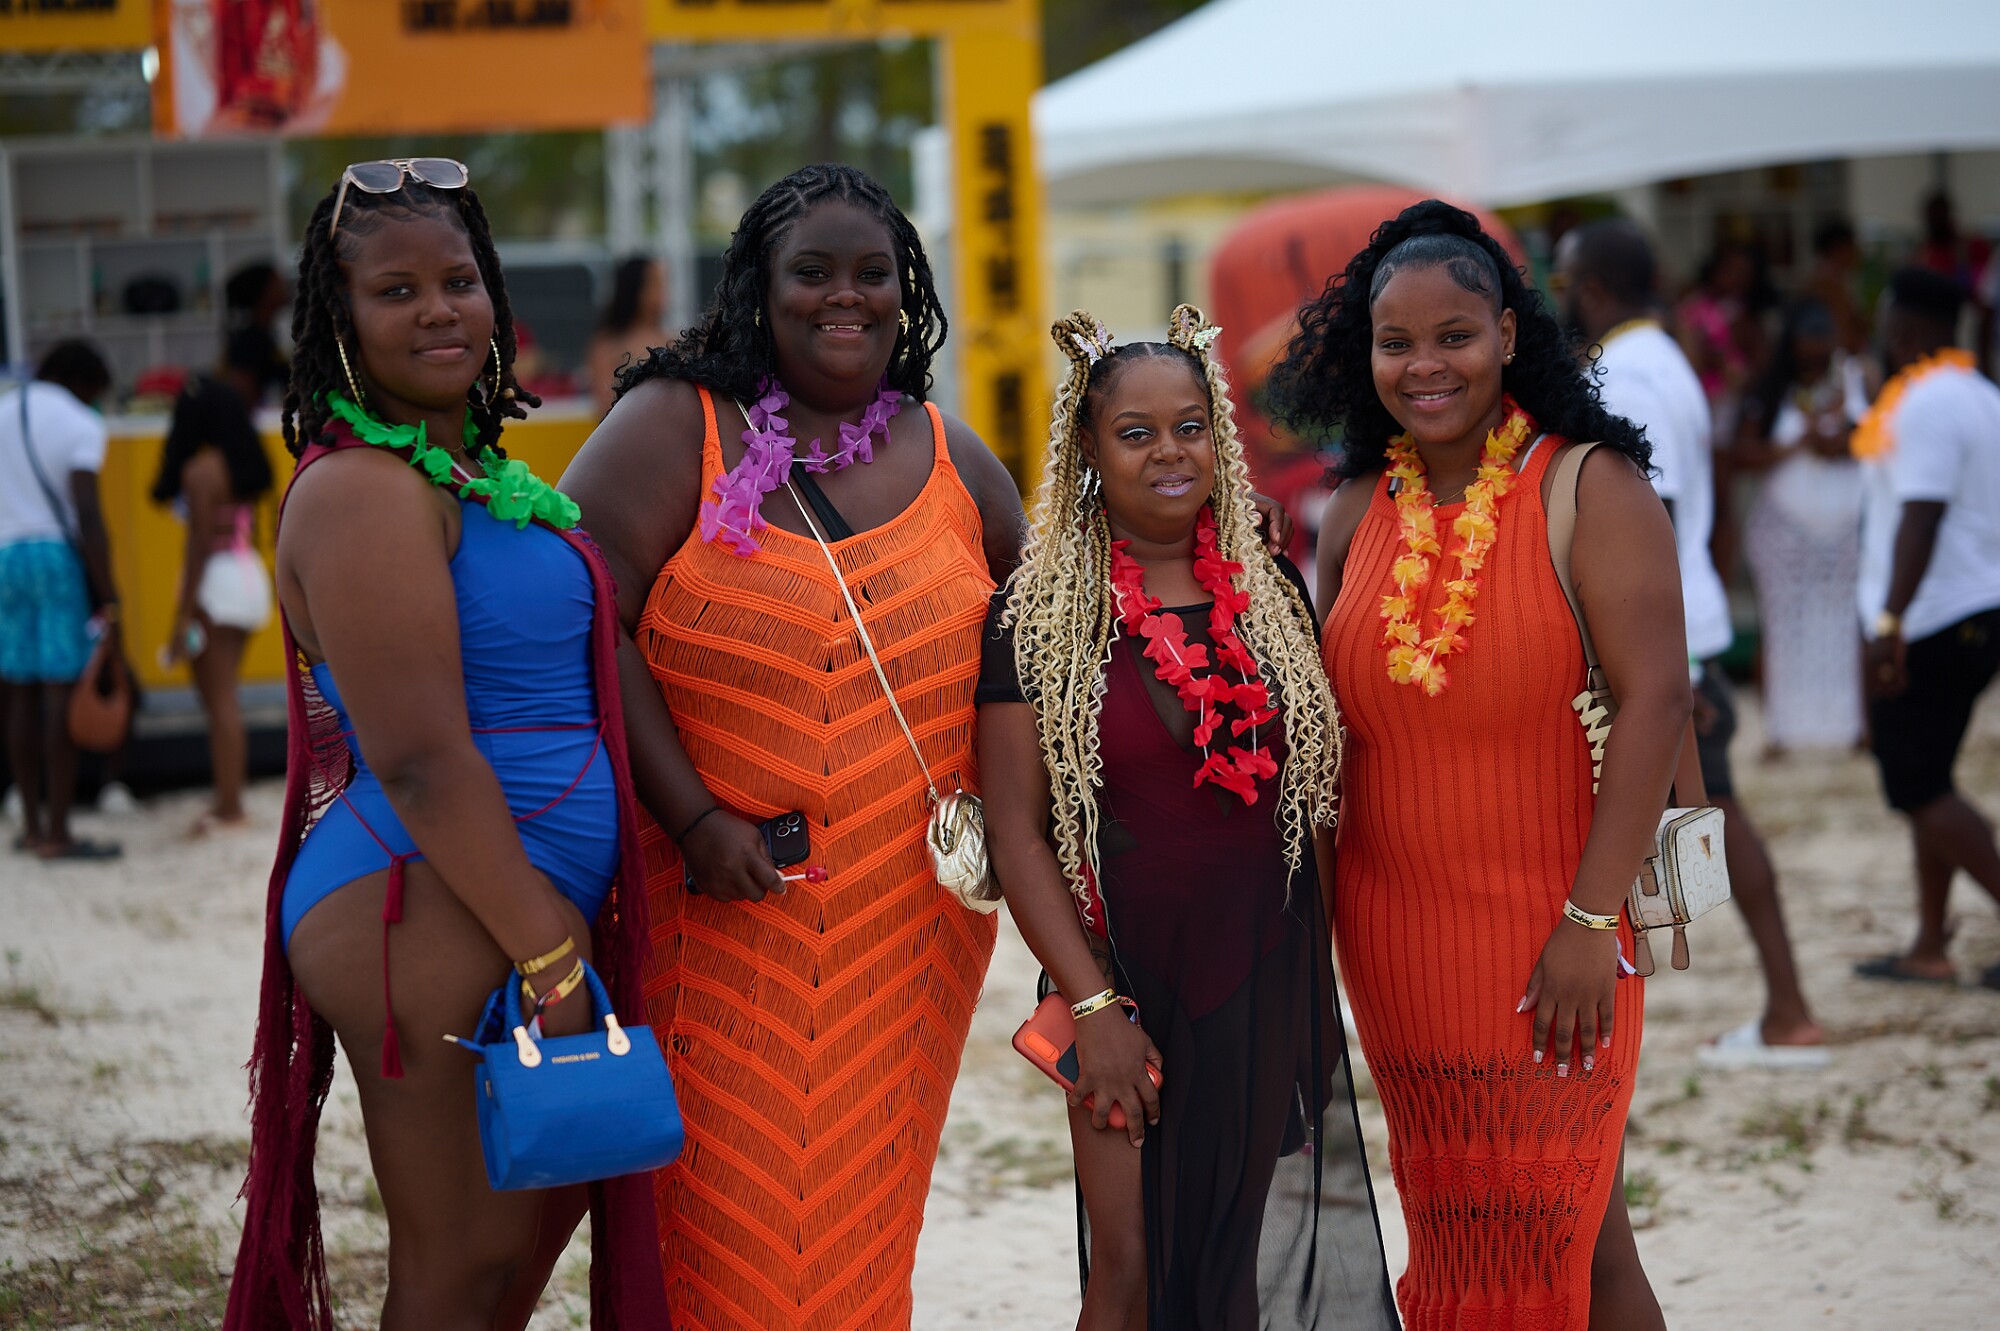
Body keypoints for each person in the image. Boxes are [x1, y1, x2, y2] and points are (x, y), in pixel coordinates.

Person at [560, 163, 1026, 1330]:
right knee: (722, 1246)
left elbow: (1043, 645)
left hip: (904, 939)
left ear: (906, 291)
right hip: (718, 915)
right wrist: (690, 815)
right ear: (756, 289)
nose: (844, 296)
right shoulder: (675, 426)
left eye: (872, 273)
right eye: (811, 271)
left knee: (862, 1241)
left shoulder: (952, 455)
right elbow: (578, 611)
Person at [225, 163, 664, 1331]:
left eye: (459, 282)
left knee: (512, 1256)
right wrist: (550, 955)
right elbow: (419, 759)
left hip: (499, 895)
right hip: (426, 894)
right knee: (456, 1268)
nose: (438, 310)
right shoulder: (362, 492)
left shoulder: (471, 477)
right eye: (396, 290)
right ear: (338, 319)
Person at [1272, 199, 1685, 1330]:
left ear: (1506, 334)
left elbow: (1656, 702)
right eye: (1394, 342)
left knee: (1551, 1221)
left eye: (1453, 335)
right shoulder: (1352, 510)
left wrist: (1588, 922)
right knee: (1515, 1230)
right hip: (1396, 945)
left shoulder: (1589, 487)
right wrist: (1304, 941)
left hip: (1557, 931)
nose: (1424, 365)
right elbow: (1330, 746)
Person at [979, 307, 1395, 1331]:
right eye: (1135, 432)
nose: (1169, 451)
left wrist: (1310, 1000)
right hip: (1115, 979)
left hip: (1256, 974)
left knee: (1227, 1264)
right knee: (1124, 1274)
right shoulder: (1036, 615)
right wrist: (1092, 1008)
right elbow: (1016, 833)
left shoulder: (1270, 590)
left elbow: (1310, 807)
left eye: (1190, 426)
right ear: (1087, 448)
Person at [1556, 218, 1827, 1066]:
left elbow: (1651, 517)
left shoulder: (1631, 371)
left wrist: (1662, 668)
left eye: (1565, 283)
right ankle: (1779, 1003)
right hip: (1685, 629)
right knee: (1708, 817)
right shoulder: (1664, 356)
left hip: (1675, 638)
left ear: (1593, 287)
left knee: (1718, 818)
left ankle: (1788, 1008)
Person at [1852, 268, 2000, 991]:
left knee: (1917, 785)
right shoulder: (1977, 392)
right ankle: (1930, 944)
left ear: (1904, 328)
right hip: (1968, 609)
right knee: (1929, 778)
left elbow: (1922, 513)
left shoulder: (1928, 400)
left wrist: (1890, 620)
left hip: (1933, 618)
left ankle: (1936, 940)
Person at [0, 340, 122, 861]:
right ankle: (58, 832)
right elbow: (87, 512)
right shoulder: (80, 423)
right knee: (59, 692)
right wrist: (110, 597)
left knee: (18, 691)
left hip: (5, 557)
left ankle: (30, 825)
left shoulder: (3, 409)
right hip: (54, 559)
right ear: (85, 382)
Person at [1733, 299, 1868, 755]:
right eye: (1805, 357)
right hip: (1785, 529)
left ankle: (1853, 726)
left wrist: (1843, 443)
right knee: (1783, 625)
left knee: (1846, 625)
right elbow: (1741, 453)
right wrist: (1798, 445)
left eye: (1820, 355)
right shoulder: (1771, 388)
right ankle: (1781, 731)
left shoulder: (1858, 377)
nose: (1813, 364)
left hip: (1847, 530)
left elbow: (1885, 437)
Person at [151, 357, 278, 835]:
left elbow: (198, 546)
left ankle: (229, 805)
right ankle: (228, 794)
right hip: (246, 574)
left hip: (216, 583)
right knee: (226, 697)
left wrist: (182, 618)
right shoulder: (243, 464)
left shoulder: (201, 471)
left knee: (218, 699)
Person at [586, 255, 669, 418]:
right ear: (635, 288)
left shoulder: (671, 340)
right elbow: (605, 404)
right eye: (656, 284)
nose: (664, 292)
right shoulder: (609, 343)